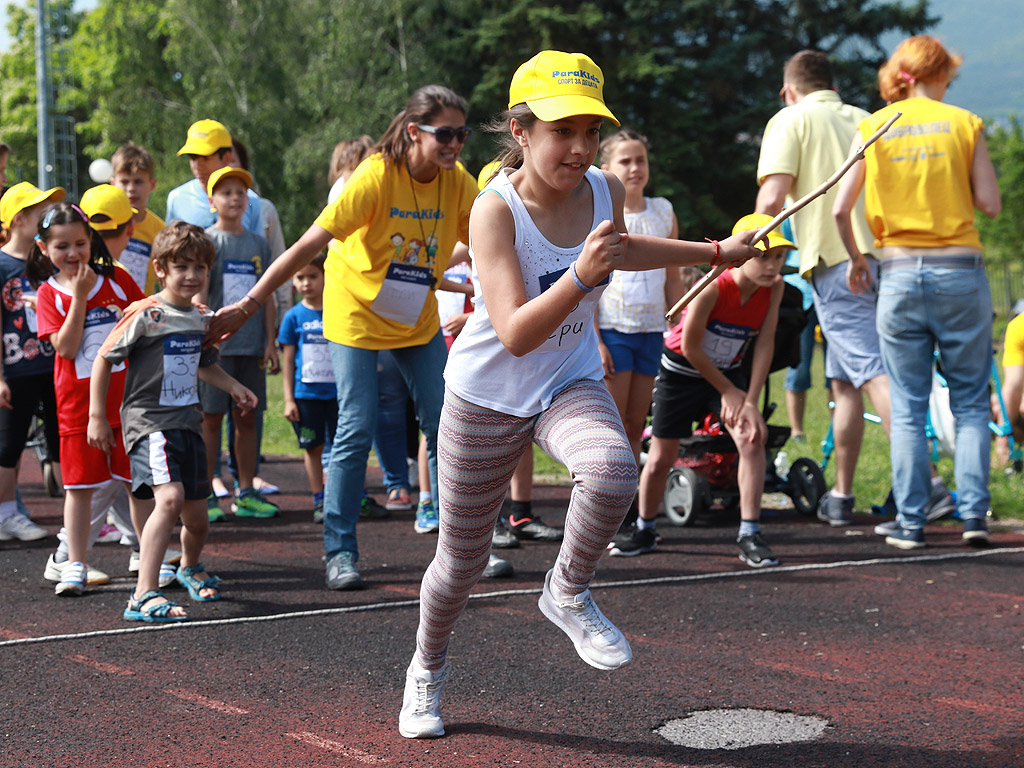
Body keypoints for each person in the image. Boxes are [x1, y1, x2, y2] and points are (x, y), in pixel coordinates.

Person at [395, 50, 758, 739]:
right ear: (520, 131)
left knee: (616, 468)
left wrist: (715, 252)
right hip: (486, 396)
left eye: (591, 131)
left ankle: (566, 592)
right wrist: (583, 278)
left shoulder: (600, 188)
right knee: (460, 564)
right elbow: (513, 330)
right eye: (563, 130)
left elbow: (620, 251)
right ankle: (426, 670)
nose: (582, 147)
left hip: (567, 381)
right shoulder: (492, 210)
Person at [207, 85, 480, 591]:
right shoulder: (375, 177)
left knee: (447, 423)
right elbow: (309, 243)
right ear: (415, 132)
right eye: (446, 134)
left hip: (414, 316)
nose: (455, 145)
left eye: (462, 134)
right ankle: (339, 550)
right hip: (355, 312)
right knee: (357, 424)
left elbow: (491, 236)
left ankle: (458, 547)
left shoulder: (458, 182)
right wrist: (248, 305)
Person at [833, 35, 1001, 550]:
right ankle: (974, 517)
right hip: (961, 272)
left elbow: (841, 208)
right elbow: (991, 203)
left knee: (907, 405)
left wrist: (858, 259)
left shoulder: (874, 125)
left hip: (899, 272)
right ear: (941, 73)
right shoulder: (965, 123)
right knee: (971, 400)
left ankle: (911, 524)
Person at [91, 221, 257, 621]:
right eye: (181, 267)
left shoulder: (201, 318)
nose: (191, 275)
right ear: (161, 269)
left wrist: (235, 387)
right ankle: (143, 594)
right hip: (149, 423)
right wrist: (98, 414)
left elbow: (204, 365)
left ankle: (189, 566)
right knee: (169, 499)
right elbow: (104, 358)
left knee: (197, 521)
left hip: (187, 424)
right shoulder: (146, 314)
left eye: (199, 267)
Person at [755, 50, 893, 527]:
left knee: (872, 372)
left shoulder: (790, 118)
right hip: (882, 258)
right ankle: (842, 493)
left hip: (837, 261)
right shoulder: (867, 118)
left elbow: (772, 198)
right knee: (844, 382)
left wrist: (751, 253)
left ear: (788, 89)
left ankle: (924, 485)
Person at [621, 214, 789, 565]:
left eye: (779, 257)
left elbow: (765, 343)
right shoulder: (712, 286)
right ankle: (645, 527)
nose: (773, 266)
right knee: (662, 455)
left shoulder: (775, 289)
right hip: (682, 372)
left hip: (726, 374)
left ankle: (750, 531)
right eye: (765, 256)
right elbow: (692, 348)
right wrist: (730, 392)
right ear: (742, 254)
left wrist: (750, 401)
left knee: (751, 437)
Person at [29, 201, 145, 595]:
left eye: (80, 243)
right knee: (79, 489)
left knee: (137, 482)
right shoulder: (49, 294)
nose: (73, 253)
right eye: (62, 246)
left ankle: (149, 555)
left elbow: (145, 319)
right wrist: (79, 297)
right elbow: (65, 347)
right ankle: (74, 563)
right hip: (79, 409)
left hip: (129, 404)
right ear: (44, 248)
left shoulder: (116, 280)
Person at [596, 128, 684, 525]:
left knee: (636, 424)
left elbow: (672, 273)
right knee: (611, 428)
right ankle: (599, 504)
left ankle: (626, 507)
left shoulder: (663, 210)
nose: (634, 169)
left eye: (640, 160)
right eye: (625, 161)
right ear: (606, 169)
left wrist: (677, 316)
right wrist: (594, 339)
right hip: (613, 330)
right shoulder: (598, 211)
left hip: (651, 331)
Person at [199, 166, 279, 521]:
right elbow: (198, 293)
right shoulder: (207, 242)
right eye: (226, 192)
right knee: (210, 419)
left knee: (247, 418)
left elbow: (268, 295)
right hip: (215, 349)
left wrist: (270, 341)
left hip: (250, 346)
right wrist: (198, 337)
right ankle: (206, 494)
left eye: (240, 193)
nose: (234, 198)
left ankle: (245, 491)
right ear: (212, 200)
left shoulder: (258, 244)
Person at [0, 182, 63, 543]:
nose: (46, 218)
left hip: (53, 366)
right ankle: (7, 514)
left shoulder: (46, 262)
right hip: (15, 369)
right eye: (40, 212)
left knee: (60, 440)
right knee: (9, 444)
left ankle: (79, 515)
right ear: (20, 219)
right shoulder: (2, 263)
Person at [278, 254, 335, 522]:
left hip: (338, 396)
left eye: (313, 276)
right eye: (300, 277)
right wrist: (289, 399)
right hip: (306, 396)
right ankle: (319, 499)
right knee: (313, 448)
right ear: (293, 280)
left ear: (325, 276)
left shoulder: (337, 310)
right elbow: (288, 360)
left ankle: (348, 495)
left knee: (345, 447)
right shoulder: (293, 317)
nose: (306, 283)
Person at [166, 119, 262, 232]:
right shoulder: (177, 198)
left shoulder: (250, 202)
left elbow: (258, 248)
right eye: (193, 158)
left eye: (205, 158)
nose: (197, 165)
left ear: (226, 158)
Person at [110, 143, 166, 294]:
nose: (131, 189)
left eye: (138, 182)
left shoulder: (160, 230)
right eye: (124, 182)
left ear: (152, 184)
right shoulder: (104, 223)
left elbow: (166, 279)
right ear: (113, 184)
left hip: (141, 310)